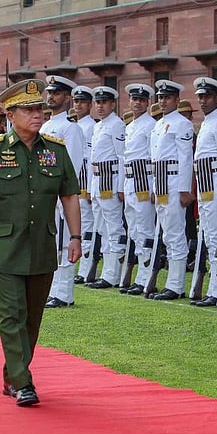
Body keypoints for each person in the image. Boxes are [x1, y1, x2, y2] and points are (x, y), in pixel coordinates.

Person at [0, 79, 82, 407]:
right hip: (4, 248)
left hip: (41, 246)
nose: (37, 114)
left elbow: (69, 196)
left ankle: (12, 372)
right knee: (12, 314)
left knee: (32, 318)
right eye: (28, 109)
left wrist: (75, 237)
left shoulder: (55, 150)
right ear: (10, 114)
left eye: (39, 109)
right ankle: (23, 382)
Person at [39, 76, 86, 308]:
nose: (51, 97)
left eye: (56, 93)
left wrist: (63, 193)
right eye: (49, 92)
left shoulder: (71, 128)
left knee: (67, 241)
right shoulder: (46, 126)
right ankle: (53, 290)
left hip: (61, 194)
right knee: (52, 244)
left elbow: (73, 165)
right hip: (46, 194)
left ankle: (64, 293)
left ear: (67, 98)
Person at [189, 77, 217, 307]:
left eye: (207, 96)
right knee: (209, 238)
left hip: (216, 186)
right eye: (200, 96)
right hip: (206, 186)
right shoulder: (207, 122)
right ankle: (214, 289)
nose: (202, 100)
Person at [149, 80, 195, 299]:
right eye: (160, 97)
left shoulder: (182, 124)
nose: (163, 101)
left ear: (176, 100)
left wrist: (185, 189)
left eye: (167, 97)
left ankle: (176, 285)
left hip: (175, 182)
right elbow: (153, 159)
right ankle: (171, 282)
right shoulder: (158, 124)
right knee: (167, 233)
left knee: (176, 233)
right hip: (161, 182)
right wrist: (153, 188)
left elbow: (186, 158)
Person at [85, 86, 127, 289]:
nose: (100, 106)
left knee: (113, 226)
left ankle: (113, 274)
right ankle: (106, 272)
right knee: (101, 227)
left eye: (104, 102)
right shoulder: (98, 126)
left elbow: (121, 156)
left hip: (110, 178)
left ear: (113, 104)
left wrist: (120, 187)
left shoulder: (116, 124)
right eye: (97, 102)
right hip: (97, 178)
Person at [119, 83, 157, 296]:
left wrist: (153, 187)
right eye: (134, 99)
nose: (137, 102)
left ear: (147, 103)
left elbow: (152, 157)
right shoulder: (130, 126)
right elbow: (126, 157)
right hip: (131, 178)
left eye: (142, 100)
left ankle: (146, 276)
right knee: (133, 228)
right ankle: (140, 276)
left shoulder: (150, 125)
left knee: (144, 229)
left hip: (144, 178)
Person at [70, 85, 98, 287]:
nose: (78, 105)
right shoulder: (75, 125)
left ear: (90, 105)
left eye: (82, 102)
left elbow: (90, 160)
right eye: (76, 101)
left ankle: (87, 267)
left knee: (86, 226)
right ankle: (80, 266)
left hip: (85, 183)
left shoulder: (91, 126)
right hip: (75, 182)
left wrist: (88, 188)